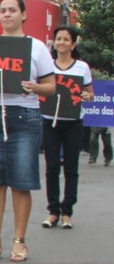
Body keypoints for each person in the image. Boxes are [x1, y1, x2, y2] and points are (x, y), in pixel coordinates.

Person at [0, 0, 55, 263]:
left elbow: (51, 87)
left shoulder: (36, 47)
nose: (7, 15)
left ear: (23, 14)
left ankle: (20, 241)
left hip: (25, 118)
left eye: (12, 10)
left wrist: (35, 87)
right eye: (3, 10)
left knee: (21, 183)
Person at [41, 25, 94, 229]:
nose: (61, 42)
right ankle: (53, 211)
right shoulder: (47, 66)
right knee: (52, 167)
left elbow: (90, 93)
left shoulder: (82, 67)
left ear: (73, 44)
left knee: (71, 168)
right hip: (50, 122)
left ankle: (67, 212)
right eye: (58, 39)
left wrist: (88, 96)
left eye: (65, 39)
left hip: (73, 123)